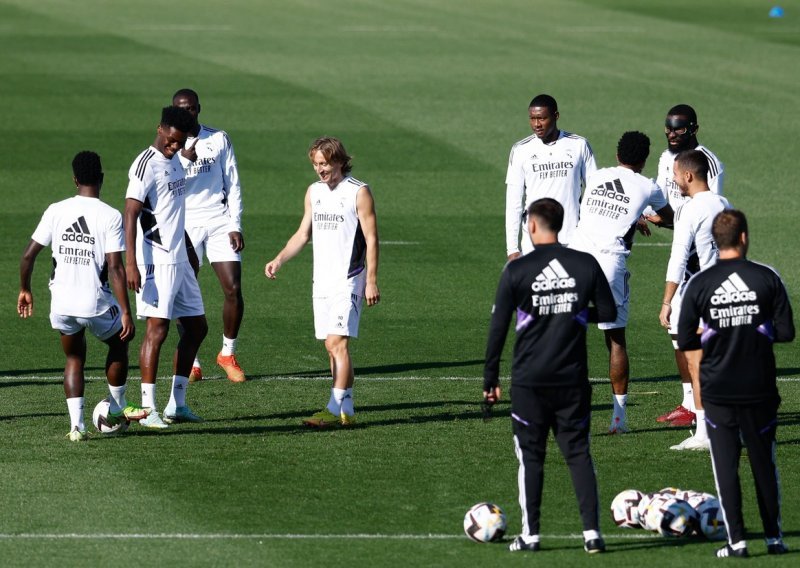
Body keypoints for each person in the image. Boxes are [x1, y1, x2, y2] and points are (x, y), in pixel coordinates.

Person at [484, 198, 616, 554]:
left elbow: (498, 328)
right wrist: (571, 314)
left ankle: (532, 535)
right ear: (561, 224)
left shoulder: (517, 270)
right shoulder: (585, 264)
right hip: (573, 378)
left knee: (531, 457)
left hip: (530, 381)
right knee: (579, 454)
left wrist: (489, 379)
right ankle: (592, 535)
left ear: (531, 225)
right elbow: (608, 311)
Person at [678, 209, 794, 558]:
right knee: (764, 463)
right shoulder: (767, 277)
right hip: (759, 388)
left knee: (725, 465)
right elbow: (786, 332)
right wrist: (753, 327)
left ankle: (738, 542)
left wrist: (713, 331)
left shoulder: (698, 284)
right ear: (743, 237)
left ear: (716, 242)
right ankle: (774, 538)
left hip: (718, 391)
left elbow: (685, 340)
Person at [18, 151, 149, 441]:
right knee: (119, 342)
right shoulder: (110, 215)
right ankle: (116, 407)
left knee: (74, 356)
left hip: (62, 303)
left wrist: (25, 289)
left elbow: (28, 256)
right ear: (101, 178)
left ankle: (77, 427)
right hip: (95, 303)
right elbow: (115, 268)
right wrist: (126, 311)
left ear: (75, 180)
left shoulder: (56, 210)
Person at [264, 136, 380, 427]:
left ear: (340, 161)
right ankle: (347, 407)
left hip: (349, 279)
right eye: (316, 164)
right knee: (332, 348)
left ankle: (331, 407)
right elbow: (303, 233)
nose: (321, 169)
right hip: (322, 282)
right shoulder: (314, 192)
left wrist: (372, 280)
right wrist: (279, 258)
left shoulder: (359, 192)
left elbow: (371, 238)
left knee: (335, 343)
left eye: (325, 163)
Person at [570, 132, 673, 433]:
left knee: (566, 333)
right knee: (615, 338)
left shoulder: (598, 176)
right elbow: (669, 218)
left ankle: (567, 411)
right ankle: (619, 420)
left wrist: (634, 214)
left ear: (617, 155)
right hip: (609, 263)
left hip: (576, 259)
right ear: (643, 160)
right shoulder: (648, 186)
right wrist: (647, 216)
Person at [125, 106, 209, 428]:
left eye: (180, 143)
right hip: (155, 260)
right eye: (172, 141)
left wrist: (187, 250)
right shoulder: (145, 165)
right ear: (160, 128)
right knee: (157, 331)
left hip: (180, 260)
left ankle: (177, 403)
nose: (174, 147)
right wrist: (131, 263)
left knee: (197, 327)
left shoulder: (175, 159)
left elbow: (173, 209)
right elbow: (130, 213)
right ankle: (148, 410)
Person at [648, 104, 725, 427]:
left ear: (693, 128)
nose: (671, 135)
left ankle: (708, 406)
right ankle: (689, 402)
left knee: (697, 332)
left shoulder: (709, 163)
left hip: (698, 257)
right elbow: (663, 200)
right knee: (679, 332)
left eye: (678, 129)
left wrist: (672, 222)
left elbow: (708, 214)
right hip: (682, 241)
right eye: (668, 129)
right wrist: (650, 216)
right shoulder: (667, 159)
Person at [172, 88, 246, 383]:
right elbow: (163, 185)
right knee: (183, 292)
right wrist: (183, 159)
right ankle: (192, 360)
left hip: (218, 219)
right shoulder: (167, 147)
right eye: (180, 108)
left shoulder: (218, 138)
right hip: (183, 223)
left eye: (190, 108)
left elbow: (234, 182)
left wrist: (235, 224)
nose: (185, 113)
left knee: (233, 288)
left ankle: (227, 353)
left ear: (198, 108)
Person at [658, 150, 731, 450]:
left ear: (688, 176)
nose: (674, 181)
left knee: (697, 363)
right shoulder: (723, 203)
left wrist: (666, 302)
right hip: (725, 290)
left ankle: (704, 433)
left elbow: (677, 260)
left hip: (700, 296)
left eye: (675, 175)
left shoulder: (688, 210)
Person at [504, 94, 597, 259]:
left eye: (541, 118)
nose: (536, 124)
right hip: (534, 242)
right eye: (532, 119)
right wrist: (512, 248)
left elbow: (594, 191)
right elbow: (514, 202)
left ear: (556, 116)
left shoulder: (578, 145)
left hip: (572, 239)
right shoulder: (520, 150)